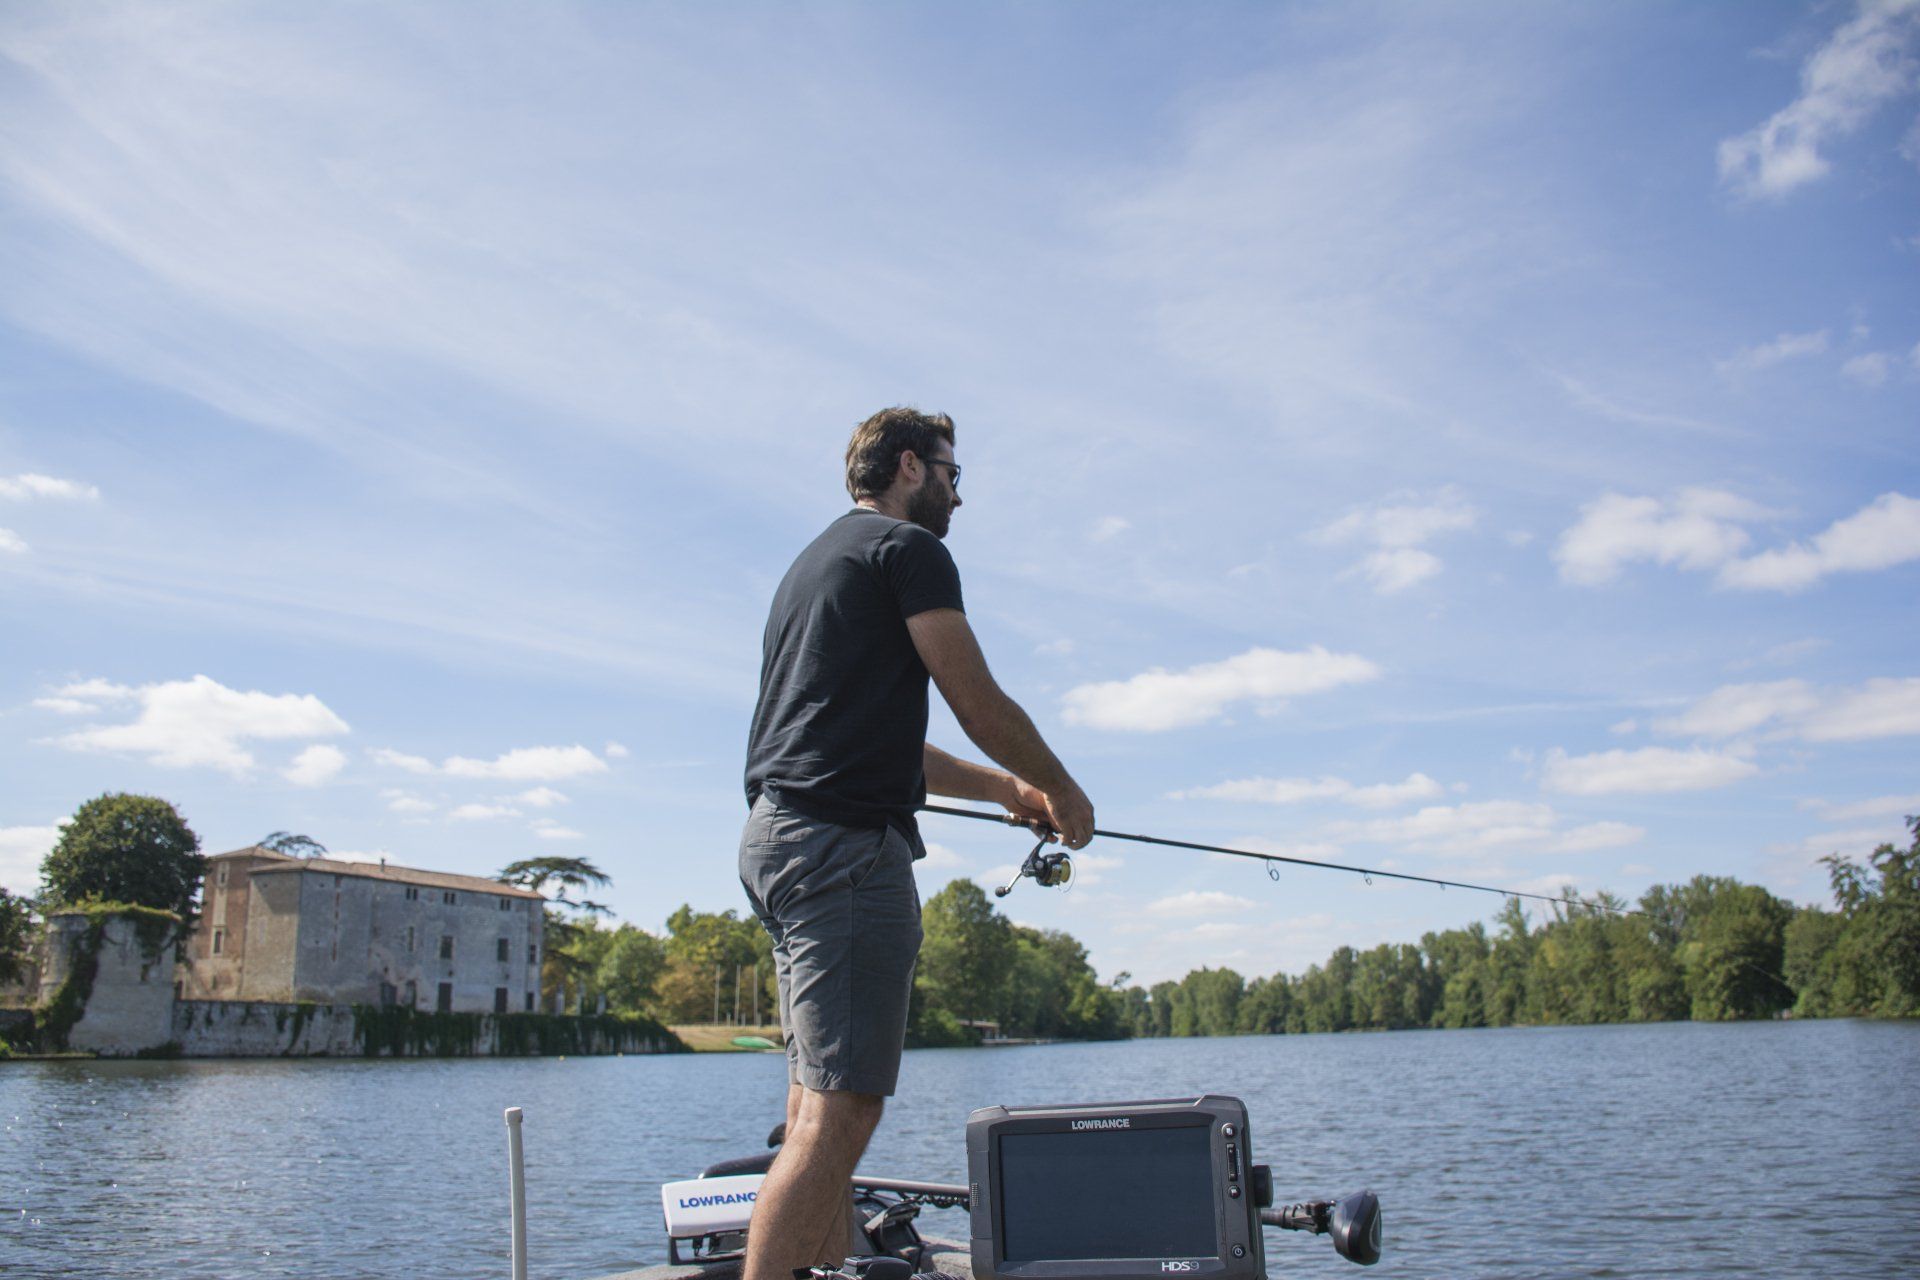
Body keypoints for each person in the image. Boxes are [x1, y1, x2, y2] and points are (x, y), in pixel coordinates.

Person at [739, 406, 1094, 1280]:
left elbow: (880, 744)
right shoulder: (909, 552)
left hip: (780, 840)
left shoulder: (815, 566)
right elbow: (980, 703)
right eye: (951, 473)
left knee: (815, 1104)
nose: (957, 496)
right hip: (843, 852)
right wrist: (1063, 790)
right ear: (908, 466)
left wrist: (1010, 791)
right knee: (843, 1115)